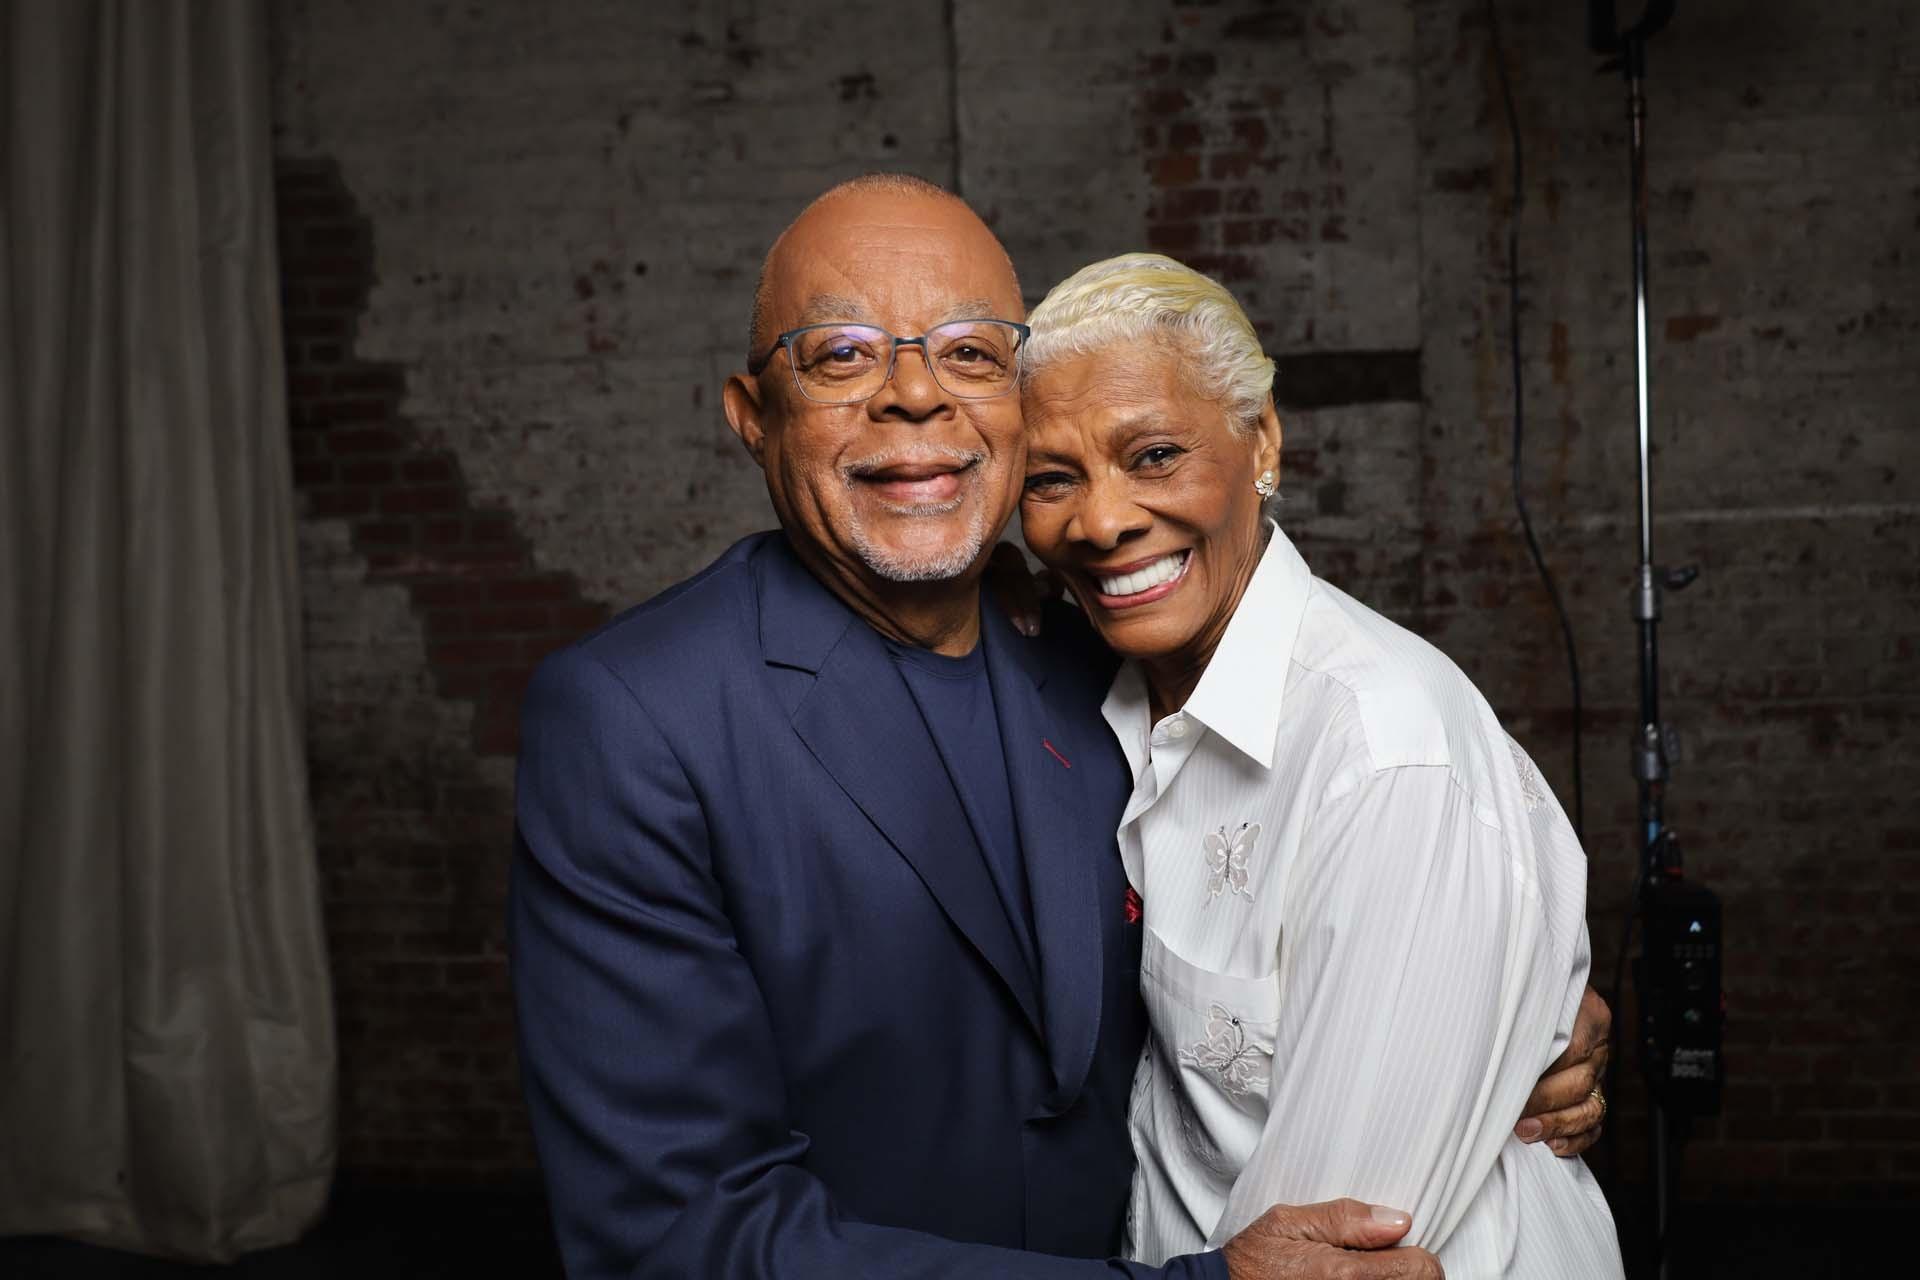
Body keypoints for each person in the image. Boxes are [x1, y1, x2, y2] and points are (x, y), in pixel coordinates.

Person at [508, 175, 1609, 1280]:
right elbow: (672, 1236)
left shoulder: (1100, 655)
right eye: (842, 353)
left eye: (971, 352)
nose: (916, 397)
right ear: (754, 417)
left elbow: (1328, 878)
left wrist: (1510, 993)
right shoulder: (635, 717)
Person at [1015, 252, 1625, 1277]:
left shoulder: (1385, 756)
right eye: (1050, 478)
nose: (1103, 520)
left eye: (1155, 453)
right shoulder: (1093, 696)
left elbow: (1335, 1240)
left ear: (1263, 445)